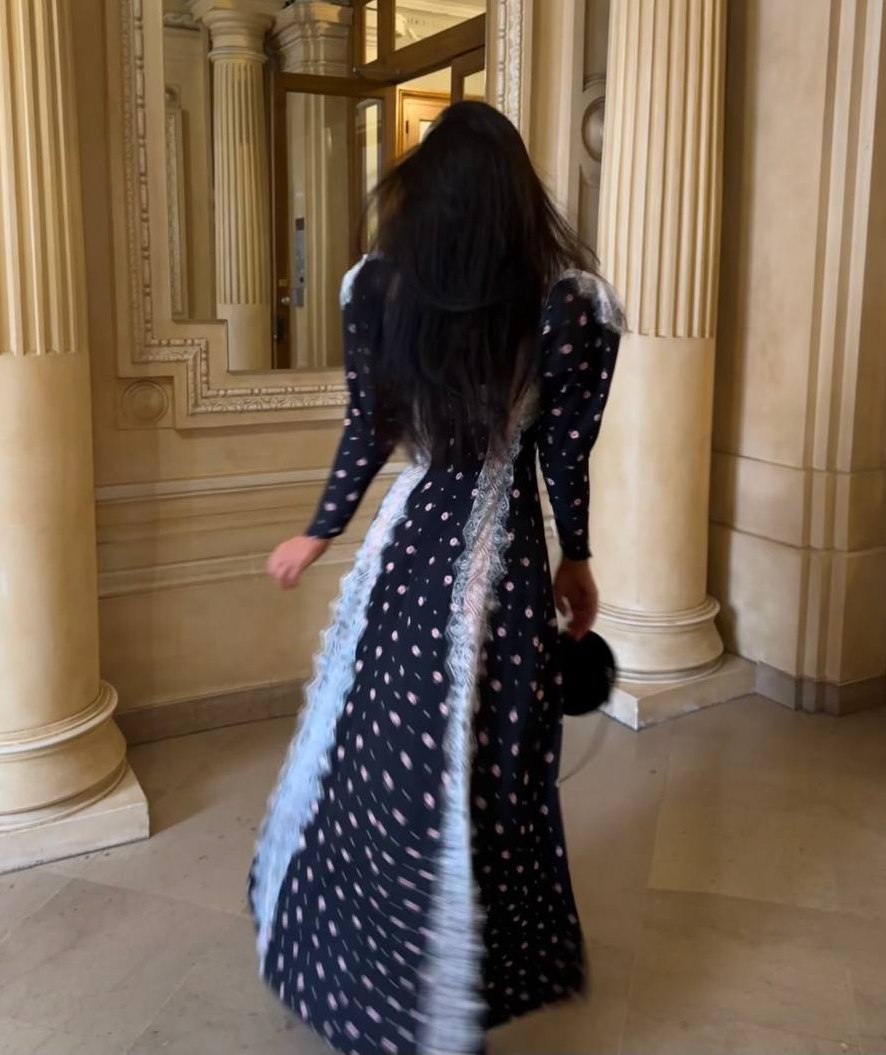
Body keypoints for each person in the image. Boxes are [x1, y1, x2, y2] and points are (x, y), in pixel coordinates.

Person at [249, 101, 623, 1055]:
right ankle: (441, 994)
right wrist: (576, 556)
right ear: (514, 196)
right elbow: (562, 457)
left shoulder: (386, 290)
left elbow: (369, 430)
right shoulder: (561, 306)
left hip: (405, 556)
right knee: (485, 773)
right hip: (500, 570)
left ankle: (382, 985)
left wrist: (323, 532)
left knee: (385, 759)